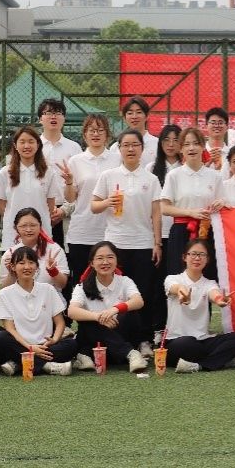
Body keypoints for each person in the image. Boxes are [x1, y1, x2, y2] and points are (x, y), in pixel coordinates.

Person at [90, 128, 163, 338]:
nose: (130, 149)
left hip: (143, 243)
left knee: (143, 291)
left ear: (142, 148)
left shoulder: (151, 179)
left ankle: (144, 338)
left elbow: (156, 214)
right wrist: (107, 201)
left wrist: (157, 243)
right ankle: (117, 337)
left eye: (135, 145)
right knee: (116, 292)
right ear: (119, 148)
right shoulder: (108, 176)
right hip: (115, 244)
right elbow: (94, 206)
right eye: (126, 145)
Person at [58, 113, 120, 302]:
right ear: (84, 134)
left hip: (110, 230)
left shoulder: (117, 159)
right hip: (82, 230)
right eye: (91, 130)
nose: (96, 134)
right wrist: (69, 182)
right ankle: (82, 317)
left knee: (110, 282)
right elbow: (70, 198)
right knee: (81, 280)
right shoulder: (76, 161)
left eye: (100, 130)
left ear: (107, 134)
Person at [163, 240, 235, 373]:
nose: (197, 258)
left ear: (207, 259)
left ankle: (199, 365)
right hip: (177, 342)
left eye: (202, 255)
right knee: (187, 344)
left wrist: (220, 300)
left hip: (203, 340)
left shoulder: (209, 283)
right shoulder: (172, 279)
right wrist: (182, 293)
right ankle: (221, 360)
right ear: (184, 257)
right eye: (193, 254)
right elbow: (177, 288)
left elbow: (214, 294)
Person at [0, 245, 77, 376]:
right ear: (13, 267)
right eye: (21, 263)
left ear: (37, 266)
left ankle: (19, 363)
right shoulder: (5, 294)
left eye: (31, 262)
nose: (27, 267)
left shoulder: (48, 289)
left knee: (71, 344)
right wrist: (30, 347)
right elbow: (9, 328)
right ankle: (47, 366)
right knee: (0, 338)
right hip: (20, 344)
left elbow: (60, 322)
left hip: (45, 345)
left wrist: (54, 340)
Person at [66, 241, 148, 373]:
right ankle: (131, 354)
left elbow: (138, 301)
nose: (105, 262)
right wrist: (98, 317)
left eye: (110, 257)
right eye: (100, 258)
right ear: (92, 263)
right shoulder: (82, 286)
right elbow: (72, 311)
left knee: (131, 313)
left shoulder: (125, 281)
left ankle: (84, 355)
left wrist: (114, 310)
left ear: (116, 260)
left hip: (122, 335)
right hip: (98, 345)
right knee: (88, 321)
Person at [159, 127, 224, 283]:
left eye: (196, 143)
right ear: (181, 149)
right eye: (187, 144)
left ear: (203, 146)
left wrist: (222, 202)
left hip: (207, 232)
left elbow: (223, 203)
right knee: (178, 277)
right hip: (181, 232)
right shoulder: (174, 175)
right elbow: (164, 208)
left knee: (207, 278)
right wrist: (190, 212)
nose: (191, 148)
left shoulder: (215, 176)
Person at [0, 125, 60, 248]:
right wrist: (18, 225)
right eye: (22, 142)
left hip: (41, 233)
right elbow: (1, 206)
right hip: (12, 235)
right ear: (15, 145)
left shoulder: (49, 172)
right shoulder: (5, 172)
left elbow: (50, 206)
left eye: (31, 141)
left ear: (38, 145)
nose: (27, 146)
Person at [36, 97, 82, 249]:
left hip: (66, 209)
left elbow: (79, 183)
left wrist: (64, 210)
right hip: (38, 208)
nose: (53, 117)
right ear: (40, 119)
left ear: (64, 118)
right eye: (48, 113)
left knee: (65, 254)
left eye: (58, 113)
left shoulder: (74, 148)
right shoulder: (33, 146)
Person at [0, 207, 70, 291]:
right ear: (16, 228)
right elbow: (4, 289)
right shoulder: (10, 254)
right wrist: (12, 273)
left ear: (40, 226)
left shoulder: (54, 250)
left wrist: (52, 270)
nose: (28, 230)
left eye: (33, 225)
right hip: (19, 298)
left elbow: (62, 284)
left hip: (49, 298)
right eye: (23, 226)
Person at [114, 96, 159, 168]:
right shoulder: (115, 147)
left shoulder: (157, 144)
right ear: (124, 118)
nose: (134, 117)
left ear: (147, 116)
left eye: (139, 112)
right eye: (130, 113)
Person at [202, 106, 235, 172]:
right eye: (213, 123)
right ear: (206, 126)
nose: (216, 126)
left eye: (220, 123)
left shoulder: (232, 154)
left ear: (227, 126)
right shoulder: (200, 152)